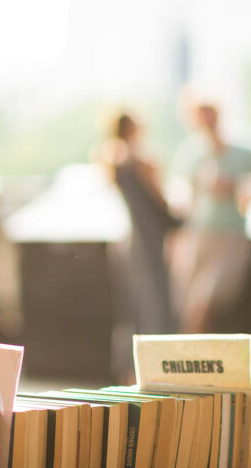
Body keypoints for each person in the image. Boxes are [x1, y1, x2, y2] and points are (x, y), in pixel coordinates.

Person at [170, 103, 251, 333]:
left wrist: (235, 190)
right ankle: (187, 354)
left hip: (230, 236)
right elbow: (183, 197)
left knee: (210, 300)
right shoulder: (191, 153)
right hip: (199, 235)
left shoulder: (245, 152)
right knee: (192, 301)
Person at [101, 112, 179, 334]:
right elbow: (160, 201)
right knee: (157, 294)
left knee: (138, 297)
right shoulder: (142, 161)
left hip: (134, 235)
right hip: (151, 234)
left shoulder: (114, 161)